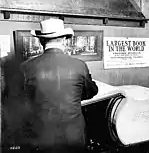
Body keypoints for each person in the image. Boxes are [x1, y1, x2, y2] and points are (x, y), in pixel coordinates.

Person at [19, 18, 98, 152]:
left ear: (41, 41)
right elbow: (91, 92)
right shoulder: (79, 65)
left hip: (41, 138)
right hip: (73, 137)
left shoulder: (25, 67)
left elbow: (20, 100)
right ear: (64, 40)